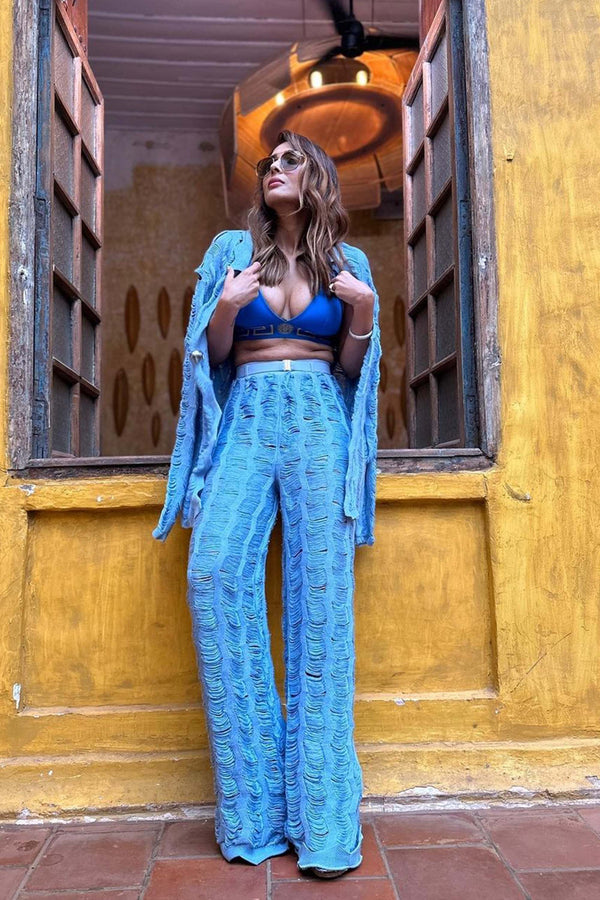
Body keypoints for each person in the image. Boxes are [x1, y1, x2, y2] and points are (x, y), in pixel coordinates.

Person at [153, 130, 381, 879]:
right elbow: (213, 359)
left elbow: (352, 367)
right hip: (247, 416)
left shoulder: (350, 265)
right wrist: (222, 308)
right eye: (268, 162)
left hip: (319, 420)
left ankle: (323, 820)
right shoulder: (233, 252)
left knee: (322, 605)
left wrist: (364, 314)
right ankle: (253, 808)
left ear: (317, 177)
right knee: (213, 572)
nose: (273, 168)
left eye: (289, 159)